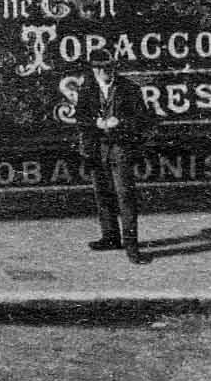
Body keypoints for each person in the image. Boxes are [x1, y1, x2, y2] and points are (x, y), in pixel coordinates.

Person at [74, 48, 156, 263]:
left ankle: (132, 248)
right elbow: (80, 117)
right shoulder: (87, 89)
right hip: (96, 148)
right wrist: (95, 122)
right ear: (92, 69)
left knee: (125, 197)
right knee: (102, 195)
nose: (103, 72)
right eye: (99, 68)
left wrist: (120, 122)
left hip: (120, 148)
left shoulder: (129, 89)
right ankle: (110, 237)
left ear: (114, 67)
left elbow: (143, 120)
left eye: (107, 67)